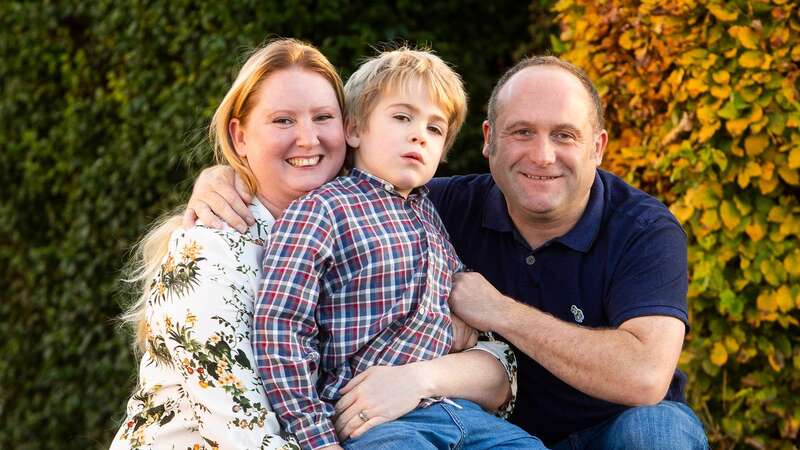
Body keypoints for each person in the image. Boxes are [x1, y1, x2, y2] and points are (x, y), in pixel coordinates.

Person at [186, 54, 709, 449]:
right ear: (488, 141)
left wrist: (495, 312)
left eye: (565, 135)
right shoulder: (433, 205)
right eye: (521, 132)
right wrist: (231, 174)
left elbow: (644, 377)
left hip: (594, 428)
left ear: (597, 147)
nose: (542, 155)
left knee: (659, 428)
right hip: (423, 422)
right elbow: (325, 173)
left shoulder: (642, 227)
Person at [252, 48, 542, 450]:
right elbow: (281, 328)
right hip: (377, 423)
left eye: (436, 128)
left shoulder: (430, 213)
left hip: (459, 412)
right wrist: (316, 438)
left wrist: (461, 321)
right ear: (354, 129)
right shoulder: (321, 211)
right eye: (402, 117)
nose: (419, 134)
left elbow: (459, 303)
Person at [110, 38, 346, 450]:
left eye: (323, 117)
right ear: (239, 137)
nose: (309, 139)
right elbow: (241, 433)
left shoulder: (367, 237)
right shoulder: (208, 254)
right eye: (283, 121)